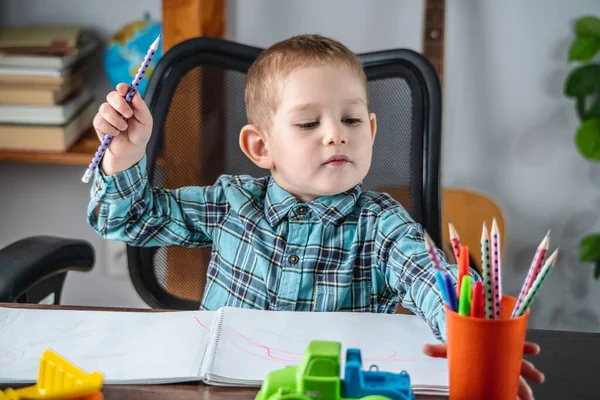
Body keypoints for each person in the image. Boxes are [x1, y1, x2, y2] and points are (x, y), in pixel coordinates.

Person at [87, 34, 543, 399]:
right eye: (309, 124)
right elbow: (128, 219)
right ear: (261, 148)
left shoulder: (383, 225)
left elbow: (432, 279)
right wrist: (125, 156)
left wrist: (478, 339)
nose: (335, 136)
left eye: (352, 120)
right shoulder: (232, 203)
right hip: (223, 387)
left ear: (372, 130)